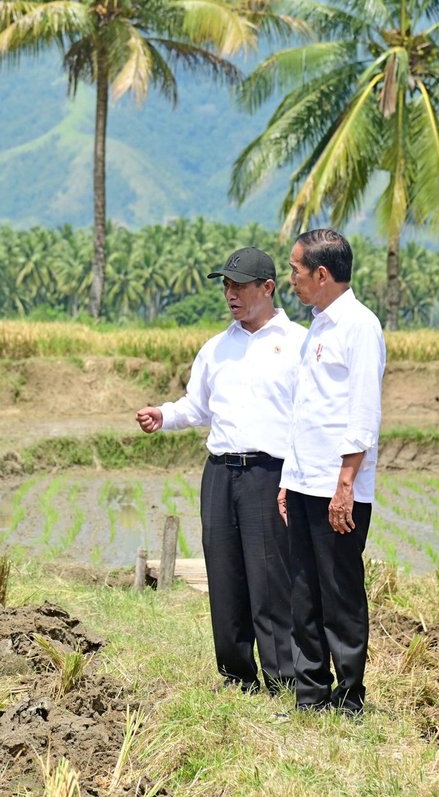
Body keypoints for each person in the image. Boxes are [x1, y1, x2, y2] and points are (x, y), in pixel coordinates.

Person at [136, 247, 306, 695]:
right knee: (225, 573)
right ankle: (236, 676)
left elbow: (309, 416)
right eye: (226, 285)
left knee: (270, 576)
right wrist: (163, 414)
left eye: (240, 285)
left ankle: (282, 678)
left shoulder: (298, 344)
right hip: (220, 473)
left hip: (270, 474)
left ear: (267, 288)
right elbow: (197, 405)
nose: (230, 293)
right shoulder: (216, 347)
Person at [278, 229, 386, 715]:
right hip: (303, 482)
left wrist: (344, 487)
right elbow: (305, 412)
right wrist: (286, 478)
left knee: (339, 594)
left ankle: (349, 698)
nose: (291, 280)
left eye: (297, 271)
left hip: (337, 488)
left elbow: (363, 415)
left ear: (322, 274)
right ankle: (310, 696)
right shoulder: (318, 327)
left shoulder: (360, 327)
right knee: (303, 592)